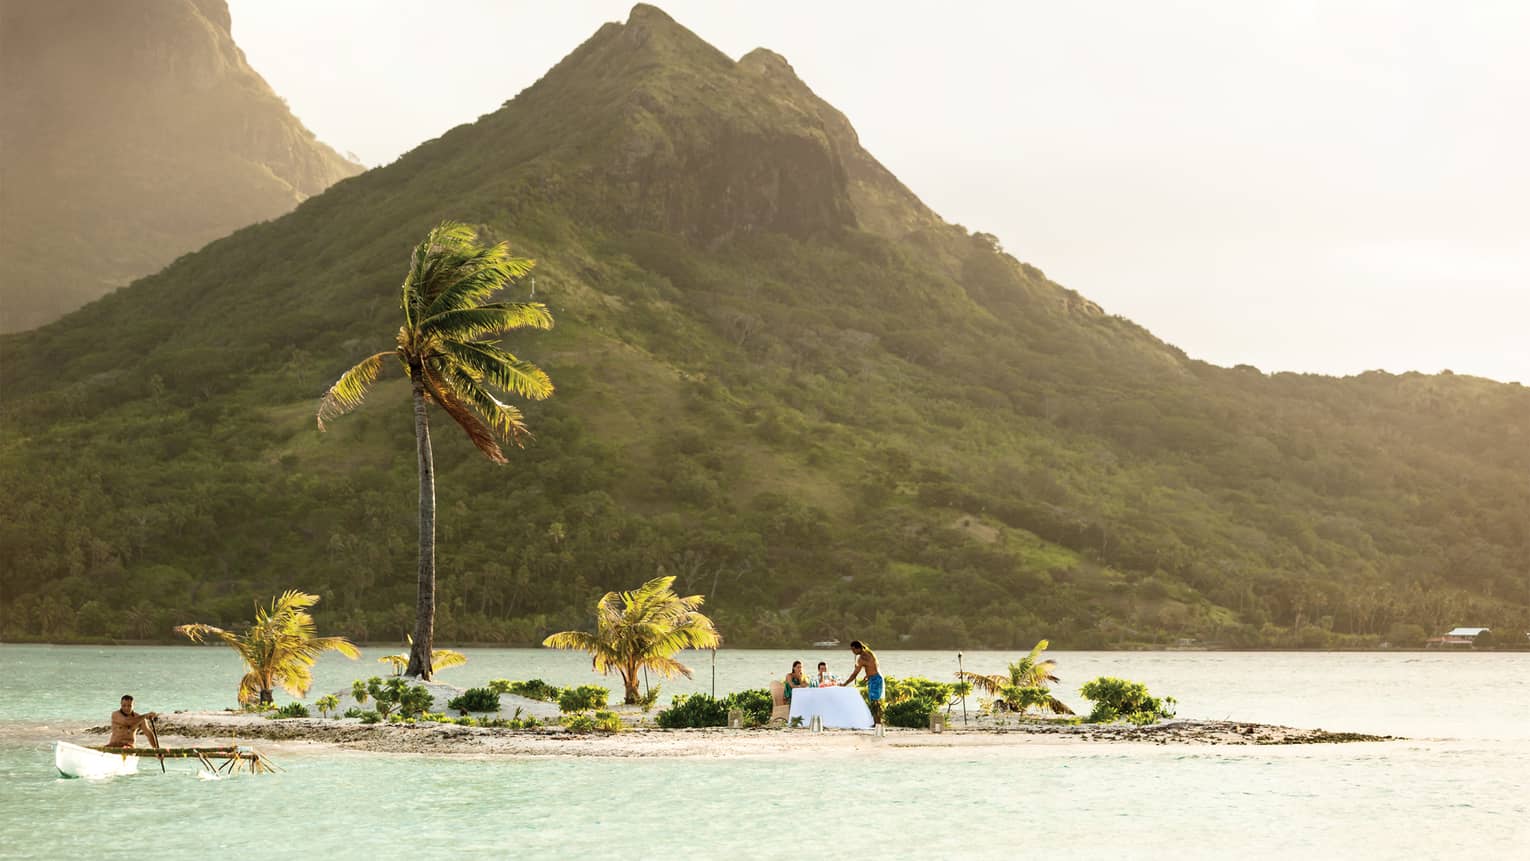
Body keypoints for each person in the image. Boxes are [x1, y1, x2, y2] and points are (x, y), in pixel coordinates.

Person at [841, 641, 883, 726]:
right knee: (875, 701)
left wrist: (845, 684)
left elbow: (854, 674)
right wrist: (868, 675)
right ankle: (878, 722)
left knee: (875, 702)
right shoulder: (869, 652)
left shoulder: (862, 658)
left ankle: (877, 723)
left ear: (858, 648)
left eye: (853, 649)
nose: (852, 652)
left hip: (875, 679)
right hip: (876, 677)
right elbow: (873, 665)